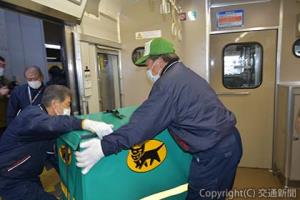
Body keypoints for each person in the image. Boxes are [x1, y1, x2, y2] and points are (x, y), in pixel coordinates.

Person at [75, 38, 243, 200]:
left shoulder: (167, 84)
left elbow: (140, 128)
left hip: (214, 153)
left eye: (147, 64)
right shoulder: (183, 74)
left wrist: (104, 147)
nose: (147, 69)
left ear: (160, 61)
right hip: (229, 143)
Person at [0, 85, 113, 200]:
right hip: (11, 178)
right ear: (55, 104)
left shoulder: (44, 121)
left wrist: (73, 177)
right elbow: (53, 124)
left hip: (28, 174)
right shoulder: (32, 116)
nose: (69, 109)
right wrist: (87, 124)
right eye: (68, 104)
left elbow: (52, 154)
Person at [0, 56, 12, 136]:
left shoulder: (5, 80)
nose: (2, 68)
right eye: (0, 65)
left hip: (5, 121)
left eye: (3, 66)